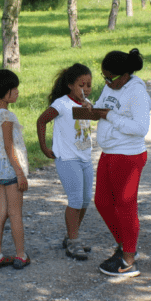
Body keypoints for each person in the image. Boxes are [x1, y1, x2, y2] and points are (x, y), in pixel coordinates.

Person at [92, 49, 151, 277]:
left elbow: (140, 128)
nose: (106, 82)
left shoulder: (137, 93)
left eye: (111, 78)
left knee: (125, 204)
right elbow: (102, 106)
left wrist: (109, 116)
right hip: (109, 152)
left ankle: (128, 260)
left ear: (125, 75)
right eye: (104, 77)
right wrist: (90, 110)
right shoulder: (112, 85)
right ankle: (126, 244)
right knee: (103, 202)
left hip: (128, 155)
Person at [36, 63, 96, 261]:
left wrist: (91, 109)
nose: (86, 89)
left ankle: (72, 236)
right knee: (76, 200)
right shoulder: (61, 104)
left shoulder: (86, 103)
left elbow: (92, 120)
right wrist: (45, 147)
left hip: (85, 158)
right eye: (82, 85)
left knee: (86, 200)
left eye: (89, 84)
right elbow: (41, 120)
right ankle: (73, 241)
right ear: (70, 85)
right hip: (67, 159)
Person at [0, 69, 31, 270]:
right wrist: (19, 172)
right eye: (14, 88)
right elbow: (8, 146)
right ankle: (21, 254)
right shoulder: (6, 115)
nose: (17, 92)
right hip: (10, 170)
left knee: (2, 211)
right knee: (15, 213)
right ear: (4, 91)